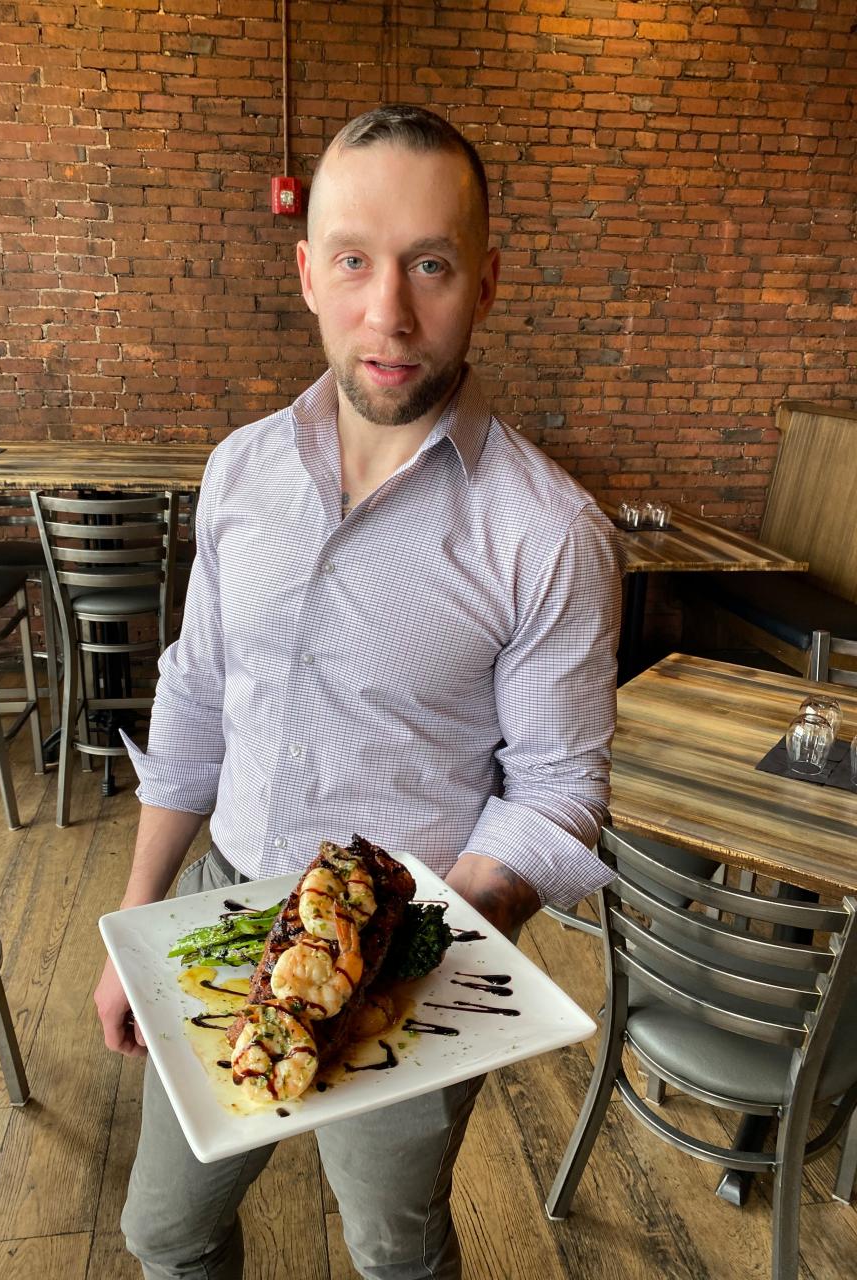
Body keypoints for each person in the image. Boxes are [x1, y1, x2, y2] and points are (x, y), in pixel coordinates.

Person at [94, 104, 622, 1280]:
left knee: (394, 1245)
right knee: (164, 1231)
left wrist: (406, 938)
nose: (388, 311)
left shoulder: (548, 533)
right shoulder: (237, 471)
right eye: (353, 260)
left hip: (422, 941)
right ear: (306, 273)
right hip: (225, 909)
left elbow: (554, 788)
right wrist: (137, 928)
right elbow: (194, 698)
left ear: (484, 282)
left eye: (430, 264)